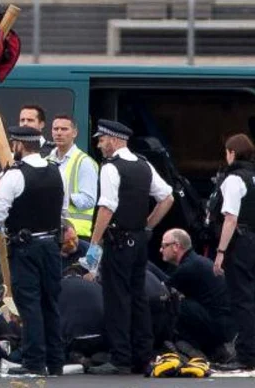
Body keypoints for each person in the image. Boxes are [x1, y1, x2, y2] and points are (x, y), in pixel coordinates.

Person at [86, 119, 174, 375]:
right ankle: (142, 356)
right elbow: (166, 197)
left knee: (117, 300)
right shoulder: (144, 165)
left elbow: (106, 207)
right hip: (138, 243)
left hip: (118, 242)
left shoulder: (111, 167)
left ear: (113, 140)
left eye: (101, 140)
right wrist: (146, 226)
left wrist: (94, 242)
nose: (100, 145)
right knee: (138, 300)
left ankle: (120, 358)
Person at [0, 125, 65, 376]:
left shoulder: (14, 174)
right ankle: (55, 362)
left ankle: (33, 361)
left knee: (29, 304)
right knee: (51, 303)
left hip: (26, 247)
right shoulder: (56, 171)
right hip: (52, 246)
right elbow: (62, 208)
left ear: (19, 145)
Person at [211, 134, 255, 370]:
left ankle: (246, 356)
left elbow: (230, 218)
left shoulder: (234, 179)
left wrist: (220, 251)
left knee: (241, 301)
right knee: (254, 299)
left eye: (226, 151)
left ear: (232, 152)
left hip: (238, 243)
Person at [160, 228, 234, 362]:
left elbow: (164, 288)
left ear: (176, 246)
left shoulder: (188, 268)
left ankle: (190, 348)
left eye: (164, 246)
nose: (160, 250)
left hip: (218, 325)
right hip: (224, 324)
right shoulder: (196, 261)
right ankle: (214, 350)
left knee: (174, 304)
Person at [48, 115, 99, 239]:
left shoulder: (84, 162)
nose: (59, 133)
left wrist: (62, 197)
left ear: (74, 133)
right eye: (56, 129)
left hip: (76, 234)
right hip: (51, 231)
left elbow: (89, 200)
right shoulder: (47, 160)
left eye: (64, 129)